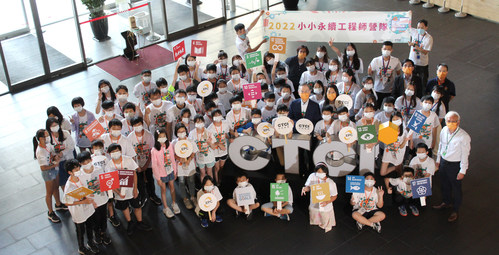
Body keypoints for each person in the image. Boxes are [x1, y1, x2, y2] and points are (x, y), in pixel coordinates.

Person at [105, 143, 152, 235]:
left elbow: (134, 174)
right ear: (109, 154)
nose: (115, 153)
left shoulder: (128, 160)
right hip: (119, 193)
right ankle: (130, 222)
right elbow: (109, 182)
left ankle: (140, 222)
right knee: (124, 207)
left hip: (131, 190)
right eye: (113, 152)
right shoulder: (109, 166)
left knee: (137, 206)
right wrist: (118, 192)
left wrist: (135, 189)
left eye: (117, 151)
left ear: (121, 151)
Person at [433, 111, 471, 222]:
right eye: (448, 121)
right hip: (444, 162)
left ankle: (455, 209)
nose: (451, 123)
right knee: (444, 184)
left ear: (458, 122)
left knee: (456, 188)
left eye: (453, 121)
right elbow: (441, 145)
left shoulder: (464, 136)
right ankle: (446, 202)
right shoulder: (444, 130)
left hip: (455, 165)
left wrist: (462, 171)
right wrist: (438, 160)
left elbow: (465, 154)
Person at [76, 151, 112, 246]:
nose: (86, 164)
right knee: (94, 220)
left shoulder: (98, 169)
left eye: (87, 161)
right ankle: (96, 234)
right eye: (83, 163)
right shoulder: (79, 175)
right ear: (80, 164)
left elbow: (105, 182)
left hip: (102, 199)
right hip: (91, 203)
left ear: (91, 160)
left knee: (103, 218)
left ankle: (103, 233)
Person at [63, 159, 98, 254]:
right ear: (70, 172)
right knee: (80, 230)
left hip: (88, 206)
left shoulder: (81, 177)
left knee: (90, 225)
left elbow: (86, 189)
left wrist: (92, 201)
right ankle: (81, 247)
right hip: (78, 210)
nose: (78, 170)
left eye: (78, 167)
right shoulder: (69, 186)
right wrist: (83, 202)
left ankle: (90, 242)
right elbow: (67, 203)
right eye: (75, 169)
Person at [288, 83, 321, 176]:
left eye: (306, 91)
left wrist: (310, 127)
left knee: (311, 154)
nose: (304, 93)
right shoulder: (294, 103)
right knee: (299, 154)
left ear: (310, 92)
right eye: (302, 91)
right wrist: (297, 124)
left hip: (310, 134)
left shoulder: (315, 105)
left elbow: (318, 120)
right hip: (297, 133)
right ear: (298, 92)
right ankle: (301, 172)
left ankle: (311, 172)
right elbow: (290, 117)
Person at [33, 129, 65, 223]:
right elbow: (43, 168)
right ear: (41, 138)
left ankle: (58, 204)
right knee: (49, 192)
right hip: (48, 172)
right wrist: (54, 165)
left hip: (54, 169)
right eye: (46, 135)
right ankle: (50, 212)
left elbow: (52, 153)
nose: (48, 137)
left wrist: (56, 157)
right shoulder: (40, 151)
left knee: (56, 187)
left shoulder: (48, 145)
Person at [128, 116, 161, 206]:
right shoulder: (130, 138)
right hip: (136, 164)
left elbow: (152, 151)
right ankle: (143, 196)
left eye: (139, 124)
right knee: (140, 182)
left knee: (150, 179)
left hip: (148, 163)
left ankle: (152, 195)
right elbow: (130, 155)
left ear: (142, 124)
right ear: (132, 127)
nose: (137, 127)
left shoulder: (149, 135)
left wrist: (146, 165)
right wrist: (137, 166)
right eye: (135, 125)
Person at [151, 128, 180, 218]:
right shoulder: (154, 150)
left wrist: (175, 171)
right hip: (161, 174)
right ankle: (166, 207)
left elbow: (172, 159)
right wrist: (158, 178)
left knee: (172, 187)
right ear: (157, 138)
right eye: (160, 137)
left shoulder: (170, 145)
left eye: (164, 136)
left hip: (170, 170)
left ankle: (174, 203)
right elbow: (154, 165)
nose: (163, 138)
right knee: (163, 190)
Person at [301, 162, 338, 233]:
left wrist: (327, 202)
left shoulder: (331, 183)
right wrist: (305, 188)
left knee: (325, 218)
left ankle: (325, 224)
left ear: (325, 172)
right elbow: (309, 187)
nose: (318, 174)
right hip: (314, 203)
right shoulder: (312, 176)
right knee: (314, 214)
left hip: (325, 205)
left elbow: (334, 196)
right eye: (317, 172)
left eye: (320, 172)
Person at [380, 111, 411, 184]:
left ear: (401, 119)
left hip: (399, 152)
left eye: (397, 119)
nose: (396, 121)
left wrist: (405, 140)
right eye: (394, 120)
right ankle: (395, 167)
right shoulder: (387, 128)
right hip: (388, 152)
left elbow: (401, 146)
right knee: (382, 173)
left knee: (400, 174)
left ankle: (399, 169)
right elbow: (383, 139)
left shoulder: (404, 132)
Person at [368, 41, 402, 107]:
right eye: (384, 49)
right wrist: (369, 70)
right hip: (378, 89)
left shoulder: (396, 60)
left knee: (390, 107)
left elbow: (398, 73)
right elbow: (370, 74)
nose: (386, 51)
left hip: (390, 89)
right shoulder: (376, 60)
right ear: (381, 49)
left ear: (392, 50)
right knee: (376, 107)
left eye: (388, 49)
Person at [172, 123, 198, 209]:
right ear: (176, 133)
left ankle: (193, 197)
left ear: (186, 131)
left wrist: (189, 160)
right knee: (182, 182)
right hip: (180, 166)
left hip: (190, 164)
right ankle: (185, 199)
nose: (181, 133)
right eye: (179, 131)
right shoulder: (174, 142)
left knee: (191, 181)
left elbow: (194, 151)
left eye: (183, 131)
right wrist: (179, 159)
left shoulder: (190, 141)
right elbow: (172, 155)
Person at [46, 117, 75, 192]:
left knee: (74, 179)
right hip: (58, 163)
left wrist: (62, 153)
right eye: (52, 126)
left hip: (68, 160)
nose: (55, 127)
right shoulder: (48, 138)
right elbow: (48, 151)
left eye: (56, 125)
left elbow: (71, 147)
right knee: (62, 182)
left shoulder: (65, 133)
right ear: (48, 128)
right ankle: (67, 195)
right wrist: (54, 156)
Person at [189, 114, 217, 182]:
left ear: (204, 122)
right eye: (197, 122)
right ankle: (203, 187)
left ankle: (211, 186)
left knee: (209, 173)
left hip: (209, 157)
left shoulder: (209, 132)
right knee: (202, 173)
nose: (199, 124)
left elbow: (214, 147)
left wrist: (209, 143)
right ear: (194, 123)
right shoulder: (192, 133)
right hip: (200, 158)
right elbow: (191, 147)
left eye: (201, 122)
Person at [408, 19, 433, 88]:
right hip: (412, 62)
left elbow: (425, 52)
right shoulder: (414, 32)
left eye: (422, 28)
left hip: (422, 64)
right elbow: (406, 27)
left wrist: (414, 46)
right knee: (411, 81)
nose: (419, 29)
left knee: (423, 82)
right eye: (418, 27)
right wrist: (408, 15)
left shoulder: (429, 38)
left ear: (426, 28)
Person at [207, 109, 229, 185]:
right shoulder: (210, 129)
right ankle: (217, 183)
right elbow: (212, 144)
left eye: (219, 115)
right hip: (215, 151)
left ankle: (223, 182)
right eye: (215, 116)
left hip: (224, 150)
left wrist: (229, 138)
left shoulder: (225, 123)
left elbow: (226, 134)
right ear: (212, 117)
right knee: (217, 168)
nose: (218, 117)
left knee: (222, 168)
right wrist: (219, 144)